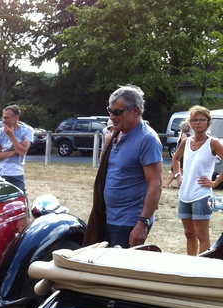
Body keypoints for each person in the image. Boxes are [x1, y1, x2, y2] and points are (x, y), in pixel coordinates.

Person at [84, 85, 163, 248]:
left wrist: (142, 223)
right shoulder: (116, 134)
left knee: (116, 270)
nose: (112, 116)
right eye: (110, 111)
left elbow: (156, 185)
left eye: (117, 112)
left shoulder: (147, 139)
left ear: (135, 111)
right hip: (107, 216)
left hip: (129, 222)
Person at [171, 106, 222, 255]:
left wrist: (215, 182)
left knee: (202, 234)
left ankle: (203, 268)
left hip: (201, 195)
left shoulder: (213, 143)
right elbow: (175, 159)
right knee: (189, 233)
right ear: (190, 123)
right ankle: (190, 263)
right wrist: (177, 175)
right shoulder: (186, 142)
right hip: (185, 194)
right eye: (194, 120)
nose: (198, 123)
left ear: (208, 122)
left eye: (202, 120)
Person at [0, 105, 33, 194]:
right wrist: (15, 151)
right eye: (3, 117)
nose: (4, 120)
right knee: (0, 201)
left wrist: (11, 135)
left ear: (16, 117)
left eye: (7, 118)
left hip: (16, 173)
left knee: (20, 201)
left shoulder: (27, 131)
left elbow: (21, 152)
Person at [164, 121, 191, 189]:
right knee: (181, 170)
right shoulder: (190, 135)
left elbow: (182, 145)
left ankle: (167, 184)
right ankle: (180, 184)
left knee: (175, 170)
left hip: (181, 155)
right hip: (185, 155)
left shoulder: (183, 135)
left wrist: (176, 154)